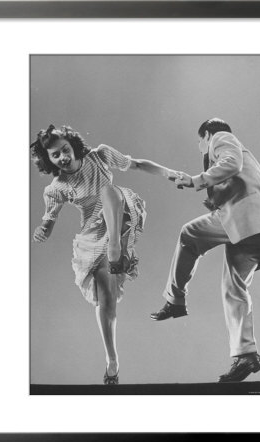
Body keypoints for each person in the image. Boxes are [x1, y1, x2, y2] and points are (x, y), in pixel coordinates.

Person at [31, 124, 178, 385]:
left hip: (120, 211)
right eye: (55, 155)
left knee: (109, 192)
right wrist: (43, 229)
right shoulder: (57, 187)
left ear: (72, 145)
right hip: (93, 231)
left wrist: (169, 173)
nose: (63, 157)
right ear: (49, 160)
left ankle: (115, 249)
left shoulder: (99, 156)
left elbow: (138, 164)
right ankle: (112, 360)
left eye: (65, 150)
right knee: (105, 299)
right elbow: (49, 219)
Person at [151, 118, 260, 382]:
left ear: (207, 134)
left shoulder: (221, 138)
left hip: (247, 218)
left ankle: (175, 300)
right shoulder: (236, 153)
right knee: (234, 288)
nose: (202, 149)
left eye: (200, 142)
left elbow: (231, 163)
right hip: (259, 230)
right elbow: (237, 175)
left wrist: (195, 179)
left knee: (188, 234)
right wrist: (213, 198)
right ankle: (246, 355)